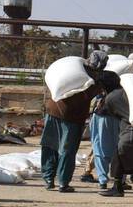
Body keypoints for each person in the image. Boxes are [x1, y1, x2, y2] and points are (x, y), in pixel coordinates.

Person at [42, 54, 116, 193]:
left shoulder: (74, 69)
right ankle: (63, 183)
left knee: (50, 145)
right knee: (67, 151)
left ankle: (48, 179)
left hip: (53, 110)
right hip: (73, 118)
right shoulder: (95, 81)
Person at [85, 51, 123, 194]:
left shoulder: (94, 77)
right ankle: (119, 180)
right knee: (117, 148)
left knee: (99, 148)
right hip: (115, 116)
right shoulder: (111, 77)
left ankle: (102, 180)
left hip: (100, 116)